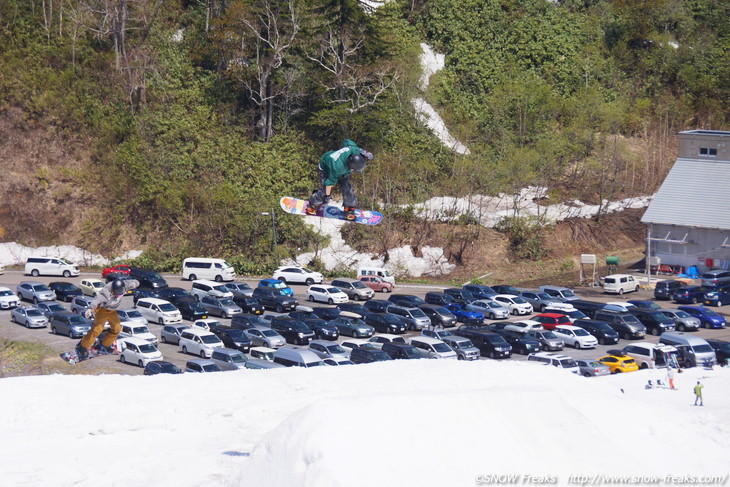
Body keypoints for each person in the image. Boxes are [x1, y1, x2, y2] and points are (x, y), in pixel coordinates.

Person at [306, 139, 373, 221]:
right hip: (326, 169)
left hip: (341, 169)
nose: (353, 171)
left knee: (347, 189)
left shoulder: (353, 151)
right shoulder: (337, 168)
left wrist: (363, 152)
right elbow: (329, 183)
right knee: (325, 191)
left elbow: (347, 141)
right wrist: (327, 196)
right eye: (353, 169)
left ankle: (349, 207)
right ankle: (313, 202)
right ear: (350, 165)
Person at [76, 278, 140, 360]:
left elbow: (136, 282)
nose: (118, 297)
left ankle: (104, 345)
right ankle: (82, 347)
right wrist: (90, 309)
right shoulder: (105, 293)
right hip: (102, 310)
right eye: (116, 295)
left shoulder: (124, 285)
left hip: (112, 311)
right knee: (97, 331)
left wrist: (135, 283)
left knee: (117, 329)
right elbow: (96, 300)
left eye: (120, 295)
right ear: (112, 291)